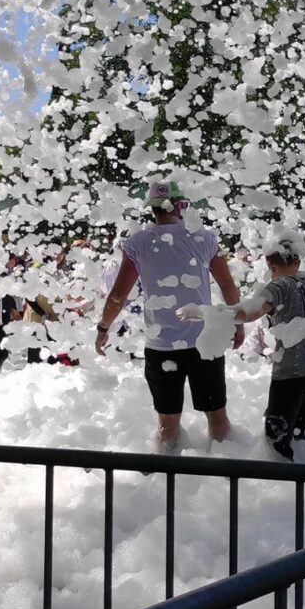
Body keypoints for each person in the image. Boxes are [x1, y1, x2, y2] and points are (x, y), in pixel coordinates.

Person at [93, 180, 244, 450]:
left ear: (153, 210)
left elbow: (118, 295)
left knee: (166, 425)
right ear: (180, 204)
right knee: (218, 419)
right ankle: (225, 480)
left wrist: (103, 327)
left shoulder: (136, 243)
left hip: (161, 347)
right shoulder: (204, 238)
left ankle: (164, 480)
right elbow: (227, 286)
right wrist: (237, 323)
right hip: (204, 343)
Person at [182, 231, 305, 460]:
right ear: (298, 260)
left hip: (292, 374)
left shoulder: (277, 287)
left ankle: (284, 489)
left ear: (269, 263)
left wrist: (204, 313)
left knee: (276, 441)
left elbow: (248, 313)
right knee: (298, 433)